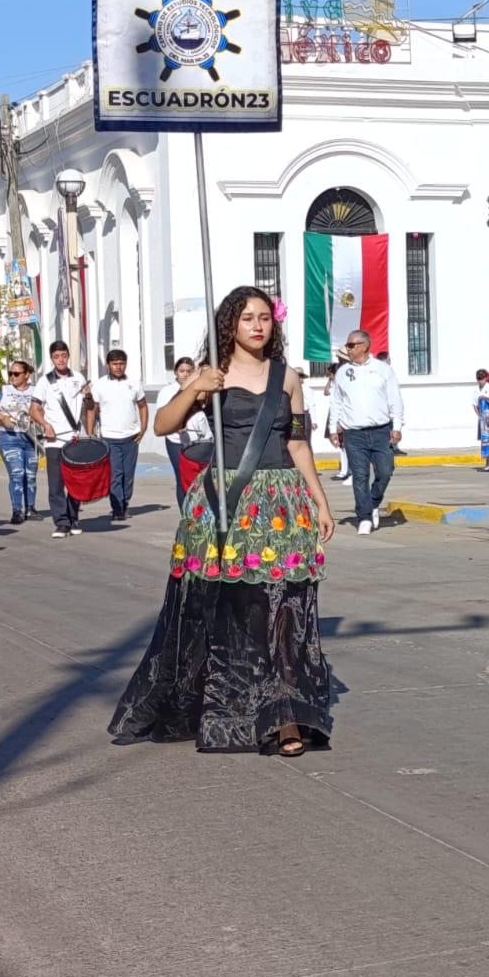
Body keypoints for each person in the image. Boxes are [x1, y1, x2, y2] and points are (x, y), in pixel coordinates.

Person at [110, 284, 335, 756]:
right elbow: (163, 425)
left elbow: (298, 445)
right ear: (230, 324)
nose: (257, 325)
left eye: (264, 318)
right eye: (247, 317)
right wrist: (195, 387)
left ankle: (284, 716)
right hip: (224, 502)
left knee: (284, 612)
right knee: (236, 610)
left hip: (280, 505)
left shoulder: (288, 378)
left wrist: (320, 501)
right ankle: (230, 707)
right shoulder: (214, 376)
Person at [329, 329, 404, 535]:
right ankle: (364, 517)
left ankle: (372, 503)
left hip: (381, 431)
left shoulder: (383, 369)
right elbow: (336, 402)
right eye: (347, 346)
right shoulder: (343, 372)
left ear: (364, 346)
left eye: (351, 345)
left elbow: (394, 399)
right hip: (354, 434)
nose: (348, 349)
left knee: (385, 471)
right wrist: (333, 428)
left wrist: (397, 426)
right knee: (360, 476)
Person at [30, 341, 93, 539]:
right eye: (57, 356)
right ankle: (62, 522)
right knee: (56, 483)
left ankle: (73, 517)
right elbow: (34, 409)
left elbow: (89, 407)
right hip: (54, 440)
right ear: (52, 358)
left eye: (64, 355)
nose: (61, 360)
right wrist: (45, 425)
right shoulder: (44, 381)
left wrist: (89, 398)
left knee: (76, 481)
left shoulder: (78, 378)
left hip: (74, 437)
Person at [94, 349, 148, 521]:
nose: (118, 367)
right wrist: (91, 431)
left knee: (128, 474)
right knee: (115, 474)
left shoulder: (134, 383)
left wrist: (143, 428)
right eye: (115, 364)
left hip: (131, 437)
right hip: (109, 437)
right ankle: (117, 507)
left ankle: (125, 503)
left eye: (121, 363)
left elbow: (143, 406)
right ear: (108, 365)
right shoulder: (100, 384)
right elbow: (91, 409)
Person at [0, 358, 40, 523]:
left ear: (27, 375)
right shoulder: (3, 390)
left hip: (31, 438)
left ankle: (30, 508)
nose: (12, 377)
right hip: (10, 437)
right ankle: (17, 510)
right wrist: (2, 417)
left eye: (16, 374)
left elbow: (42, 409)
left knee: (30, 475)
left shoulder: (36, 391)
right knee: (17, 473)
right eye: (10, 373)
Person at [156, 357, 211, 508]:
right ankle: (185, 510)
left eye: (189, 371)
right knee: (183, 478)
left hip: (199, 440)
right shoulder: (168, 391)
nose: (185, 374)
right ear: (176, 372)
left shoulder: (201, 388)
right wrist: (177, 424)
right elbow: (163, 415)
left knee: (201, 479)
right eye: (182, 371)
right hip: (177, 441)